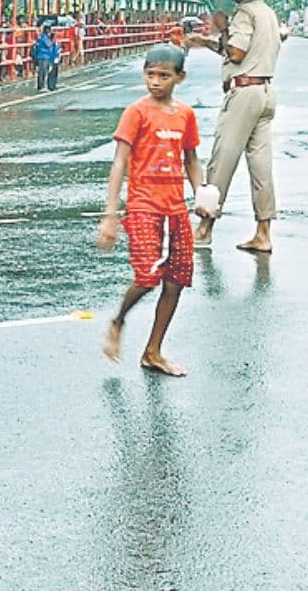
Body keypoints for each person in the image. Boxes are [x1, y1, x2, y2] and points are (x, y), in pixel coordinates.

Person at [96, 44, 204, 377]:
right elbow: (119, 162)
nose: (155, 82)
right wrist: (110, 215)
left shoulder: (185, 115)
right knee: (147, 276)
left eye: (163, 76)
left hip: (176, 209)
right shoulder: (136, 112)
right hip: (143, 206)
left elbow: (191, 160)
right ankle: (118, 321)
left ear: (180, 77)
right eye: (150, 74)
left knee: (175, 281)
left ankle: (153, 351)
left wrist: (202, 193)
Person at [193, 0, 281, 253]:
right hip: (265, 92)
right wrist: (207, 42)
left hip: (243, 93)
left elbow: (237, 53)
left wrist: (223, 27)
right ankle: (263, 232)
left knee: (222, 160)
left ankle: (204, 228)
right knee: (261, 167)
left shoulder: (244, 13)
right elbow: (244, 51)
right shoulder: (268, 13)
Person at [32, 22, 61, 91]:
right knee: (42, 72)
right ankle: (40, 86)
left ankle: (45, 85)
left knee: (46, 71)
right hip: (43, 56)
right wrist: (53, 39)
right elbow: (48, 45)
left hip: (47, 56)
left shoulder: (45, 37)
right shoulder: (43, 37)